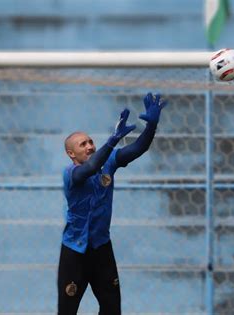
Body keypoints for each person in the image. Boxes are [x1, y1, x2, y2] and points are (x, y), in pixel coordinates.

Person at [57, 92, 167, 314]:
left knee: (112, 309)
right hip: (74, 252)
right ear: (71, 153)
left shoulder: (108, 161)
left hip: (101, 249)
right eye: (82, 144)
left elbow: (138, 149)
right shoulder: (71, 173)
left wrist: (151, 126)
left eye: (90, 142)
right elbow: (88, 169)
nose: (89, 146)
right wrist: (112, 140)